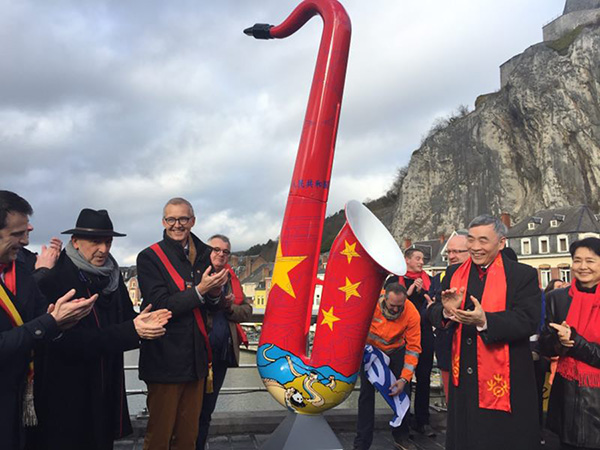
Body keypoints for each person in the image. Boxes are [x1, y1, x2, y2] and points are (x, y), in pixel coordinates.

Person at [34, 208, 172, 450]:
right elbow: (66, 341)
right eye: (96, 242)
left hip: (105, 385)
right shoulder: (57, 277)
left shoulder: (112, 277)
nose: (104, 249)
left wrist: (144, 322)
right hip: (67, 391)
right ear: (75, 242)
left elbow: (126, 320)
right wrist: (132, 330)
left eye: (108, 242)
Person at [427, 214, 541, 450]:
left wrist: (485, 320)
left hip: (507, 380)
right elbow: (432, 311)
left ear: (501, 243)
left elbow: (528, 321)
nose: (475, 247)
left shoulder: (522, 275)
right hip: (465, 382)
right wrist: (448, 311)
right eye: (471, 240)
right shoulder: (453, 273)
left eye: (483, 240)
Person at [0, 191, 97, 450]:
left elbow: (40, 320)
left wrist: (63, 319)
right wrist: (50, 322)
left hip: (18, 402)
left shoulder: (17, 272)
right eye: (18, 234)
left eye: (27, 232)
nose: (26, 241)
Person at [137, 197, 229, 450]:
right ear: (163, 221)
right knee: (159, 436)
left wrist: (213, 295)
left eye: (183, 219)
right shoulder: (148, 258)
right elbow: (160, 305)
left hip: (197, 358)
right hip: (164, 358)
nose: (177, 224)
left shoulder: (204, 254)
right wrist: (200, 291)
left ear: (193, 221)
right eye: (171, 219)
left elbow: (210, 307)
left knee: (189, 437)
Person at [540, 237, 600, 450]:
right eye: (577, 260)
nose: (583, 267)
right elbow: (544, 345)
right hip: (565, 398)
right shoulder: (557, 298)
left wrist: (573, 340)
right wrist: (558, 340)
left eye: (590, 261)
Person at [196, 234, 252, 450]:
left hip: (221, 354)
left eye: (225, 251)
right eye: (216, 249)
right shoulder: (197, 274)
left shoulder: (231, 279)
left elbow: (246, 311)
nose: (221, 254)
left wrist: (228, 307)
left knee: (207, 410)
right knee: (190, 410)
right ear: (207, 251)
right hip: (197, 352)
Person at [354, 283, 421, 450]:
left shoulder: (412, 313)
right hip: (371, 352)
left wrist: (404, 379)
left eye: (400, 306)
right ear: (385, 299)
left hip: (396, 350)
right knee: (366, 396)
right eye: (392, 306)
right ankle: (362, 442)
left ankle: (401, 437)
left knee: (403, 393)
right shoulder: (370, 303)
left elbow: (413, 349)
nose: (395, 310)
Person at [386, 247, 434, 436]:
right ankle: (402, 422)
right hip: (402, 335)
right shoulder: (393, 280)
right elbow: (390, 306)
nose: (422, 262)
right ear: (406, 260)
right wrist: (411, 291)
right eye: (418, 258)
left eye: (423, 259)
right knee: (403, 379)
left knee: (424, 377)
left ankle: (423, 420)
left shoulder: (429, 280)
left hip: (424, 332)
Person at [428, 231, 470, 402]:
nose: (451, 256)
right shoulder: (442, 278)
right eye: (449, 252)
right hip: (447, 349)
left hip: (475, 353)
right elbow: (434, 311)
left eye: (457, 252)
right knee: (452, 406)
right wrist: (443, 311)